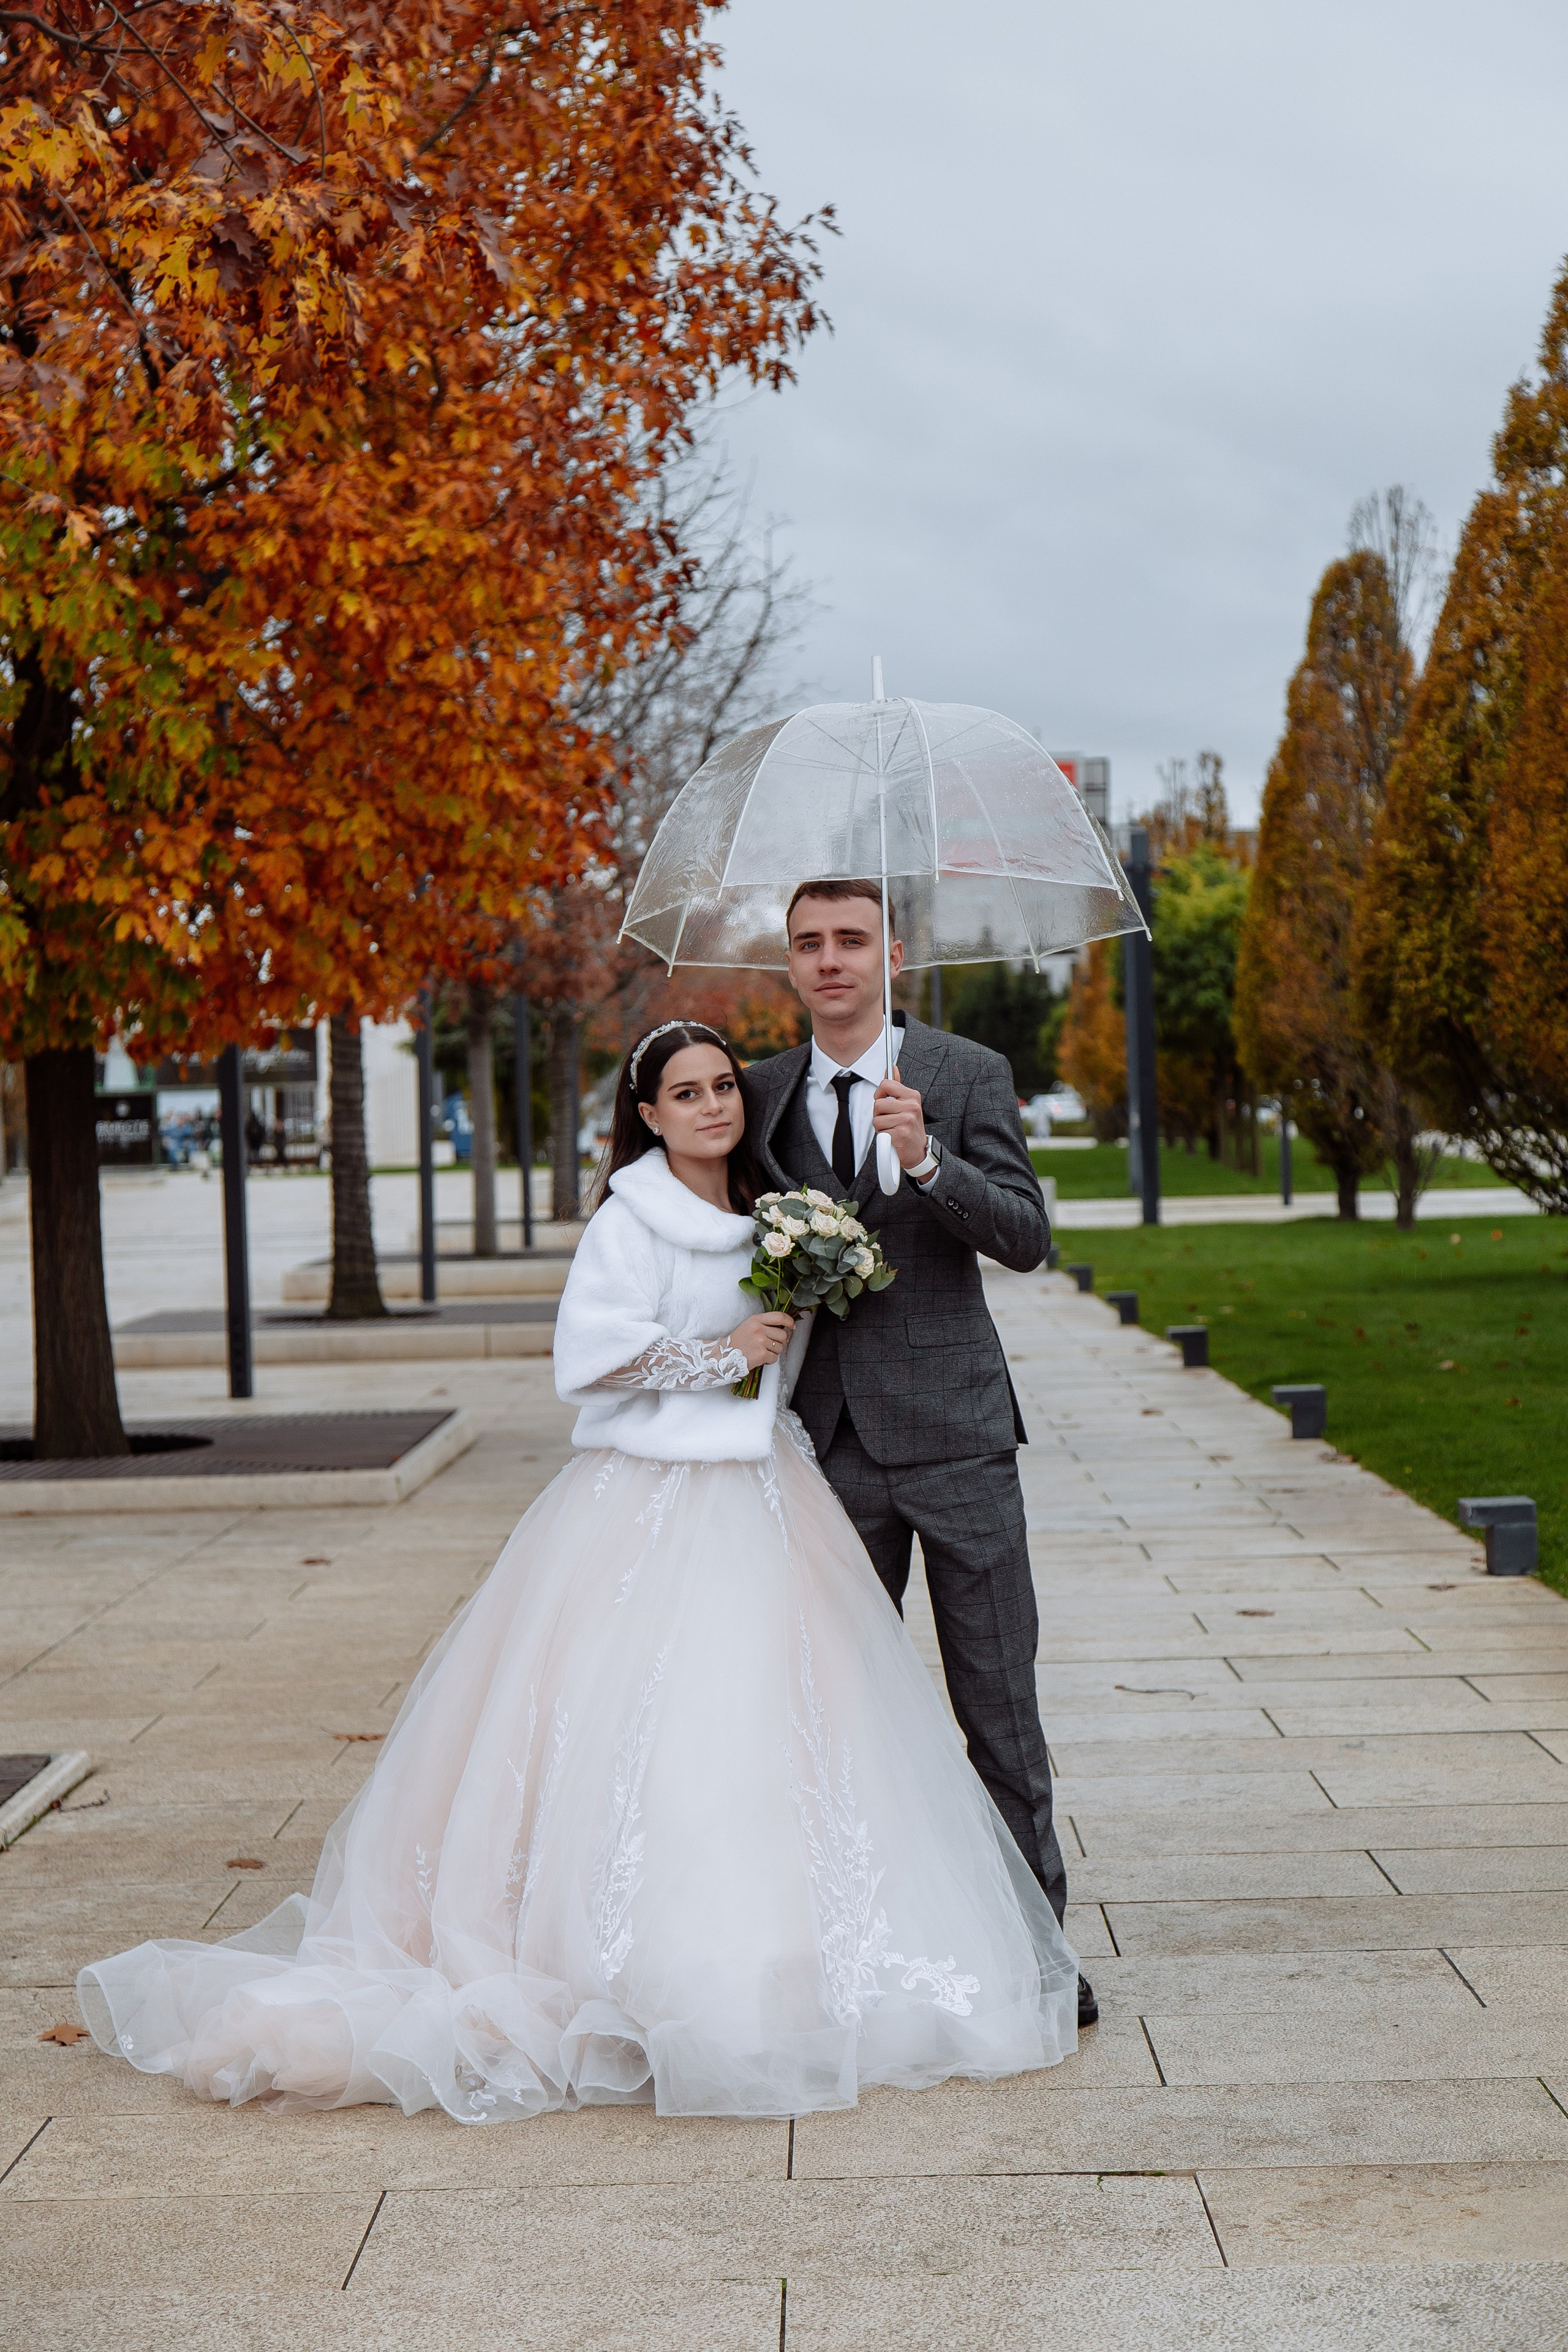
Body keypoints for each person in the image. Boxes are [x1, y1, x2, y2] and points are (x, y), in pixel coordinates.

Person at [77, 1020, 1078, 2123]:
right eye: (685, 1094)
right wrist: (723, 1354)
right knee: (642, 1733)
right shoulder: (631, 1215)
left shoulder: (772, 1210)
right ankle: (633, 1967)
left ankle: (810, 1953)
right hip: (650, 1502)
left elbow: (958, 1261)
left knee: (790, 1732)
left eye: (721, 1088)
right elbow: (587, 1357)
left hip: (774, 1493)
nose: (712, 1107)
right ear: (646, 1114)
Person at [744, 878, 1096, 2030]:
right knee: (845, 1717)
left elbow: (1031, 1238)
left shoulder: (962, 1073)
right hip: (830, 1447)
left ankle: (1040, 1957)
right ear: (788, 963)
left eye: (851, 940)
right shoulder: (756, 1095)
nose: (830, 960)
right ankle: (867, 1953)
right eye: (809, 944)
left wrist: (933, 1163)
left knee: (999, 1706)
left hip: (957, 1438)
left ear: (891, 952)